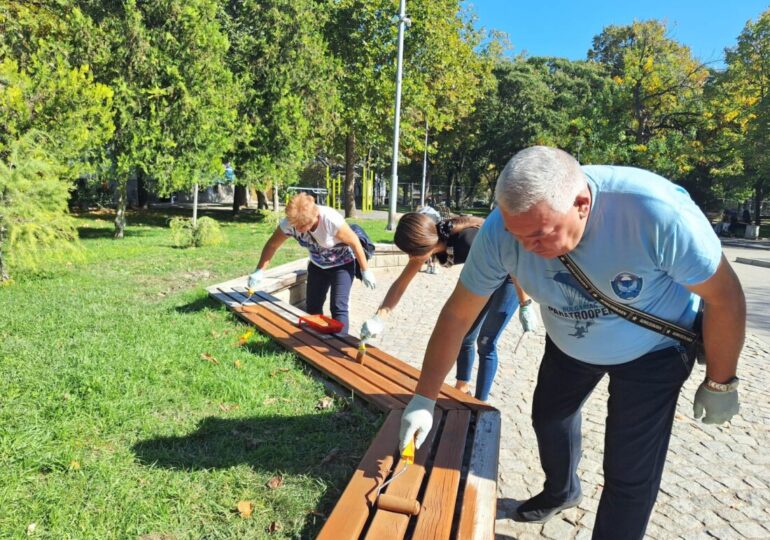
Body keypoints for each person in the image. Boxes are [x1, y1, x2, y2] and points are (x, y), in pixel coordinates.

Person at [399, 146, 745, 538]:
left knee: (628, 472)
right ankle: (561, 492)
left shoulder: (653, 212)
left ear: (582, 204)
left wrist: (721, 381)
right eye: (518, 235)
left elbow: (726, 296)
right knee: (549, 418)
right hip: (570, 342)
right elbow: (458, 315)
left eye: (540, 235)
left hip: (654, 350)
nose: (527, 249)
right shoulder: (500, 232)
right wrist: (424, 399)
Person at [359, 212, 538, 401]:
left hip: (510, 279)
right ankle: (462, 387)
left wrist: (525, 303)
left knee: (486, 341)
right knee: (466, 336)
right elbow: (401, 283)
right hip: (485, 278)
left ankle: (480, 402)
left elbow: (511, 263)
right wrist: (379, 316)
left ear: (424, 245)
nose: (411, 257)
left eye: (412, 252)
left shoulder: (468, 241)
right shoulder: (430, 241)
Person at [247, 193, 376, 333]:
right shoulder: (291, 222)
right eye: (293, 225)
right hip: (317, 266)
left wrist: (365, 270)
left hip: (342, 265)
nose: (294, 229)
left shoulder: (331, 220)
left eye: (299, 226)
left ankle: (340, 344)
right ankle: (313, 340)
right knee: (313, 306)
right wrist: (259, 270)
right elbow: (272, 245)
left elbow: (354, 242)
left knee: (338, 307)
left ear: (310, 221)